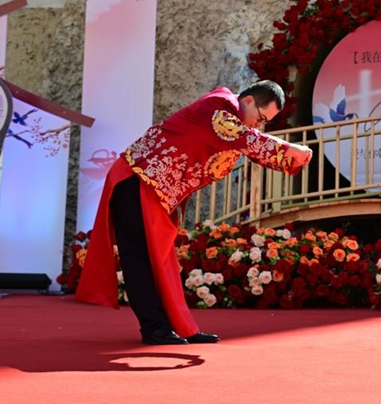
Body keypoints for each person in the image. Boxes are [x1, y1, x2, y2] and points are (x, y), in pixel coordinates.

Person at [76, 80, 312, 345]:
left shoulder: (235, 125)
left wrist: (291, 159)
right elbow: (245, 138)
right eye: (260, 118)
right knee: (141, 259)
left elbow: (254, 148)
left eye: (263, 122)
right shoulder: (218, 107)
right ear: (247, 101)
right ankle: (155, 328)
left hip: (156, 191)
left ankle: (178, 327)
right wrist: (289, 149)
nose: (258, 125)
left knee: (162, 260)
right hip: (136, 180)